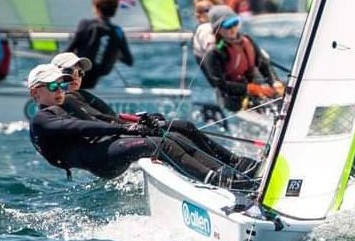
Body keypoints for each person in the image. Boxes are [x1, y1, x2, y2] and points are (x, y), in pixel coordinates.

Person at [27, 63, 255, 188]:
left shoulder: (67, 101)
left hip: (104, 147)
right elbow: (81, 127)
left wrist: (137, 123)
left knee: (169, 136)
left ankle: (231, 170)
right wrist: (127, 129)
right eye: (53, 86)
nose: (60, 89)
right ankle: (219, 181)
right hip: (98, 160)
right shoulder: (42, 119)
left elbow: (104, 118)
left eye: (61, 84)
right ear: (35, 93)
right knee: (157, 145)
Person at [202, 5, 284, 111]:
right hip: (233, 99)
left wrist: (274, 82)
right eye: (228, 26)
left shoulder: (247, 40)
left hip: (254, 91)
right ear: (218, 29)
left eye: (235, 23)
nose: (233, 29)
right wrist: (249, 88)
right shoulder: (214, 52)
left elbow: (263, 64)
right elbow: (221, 85)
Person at [65, 0, 133, 89]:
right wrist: (112, 52)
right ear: (115, 9)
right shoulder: (118, 31)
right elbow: (129, 60)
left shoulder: (85, 24)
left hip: (77, 79)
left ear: (95, 6)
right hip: (94, 81)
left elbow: (68, 51)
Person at [191, 0, 224, 64]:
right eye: (197, 11)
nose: (198, 14)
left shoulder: (205, 28)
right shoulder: (205, 28)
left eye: (205, 10)